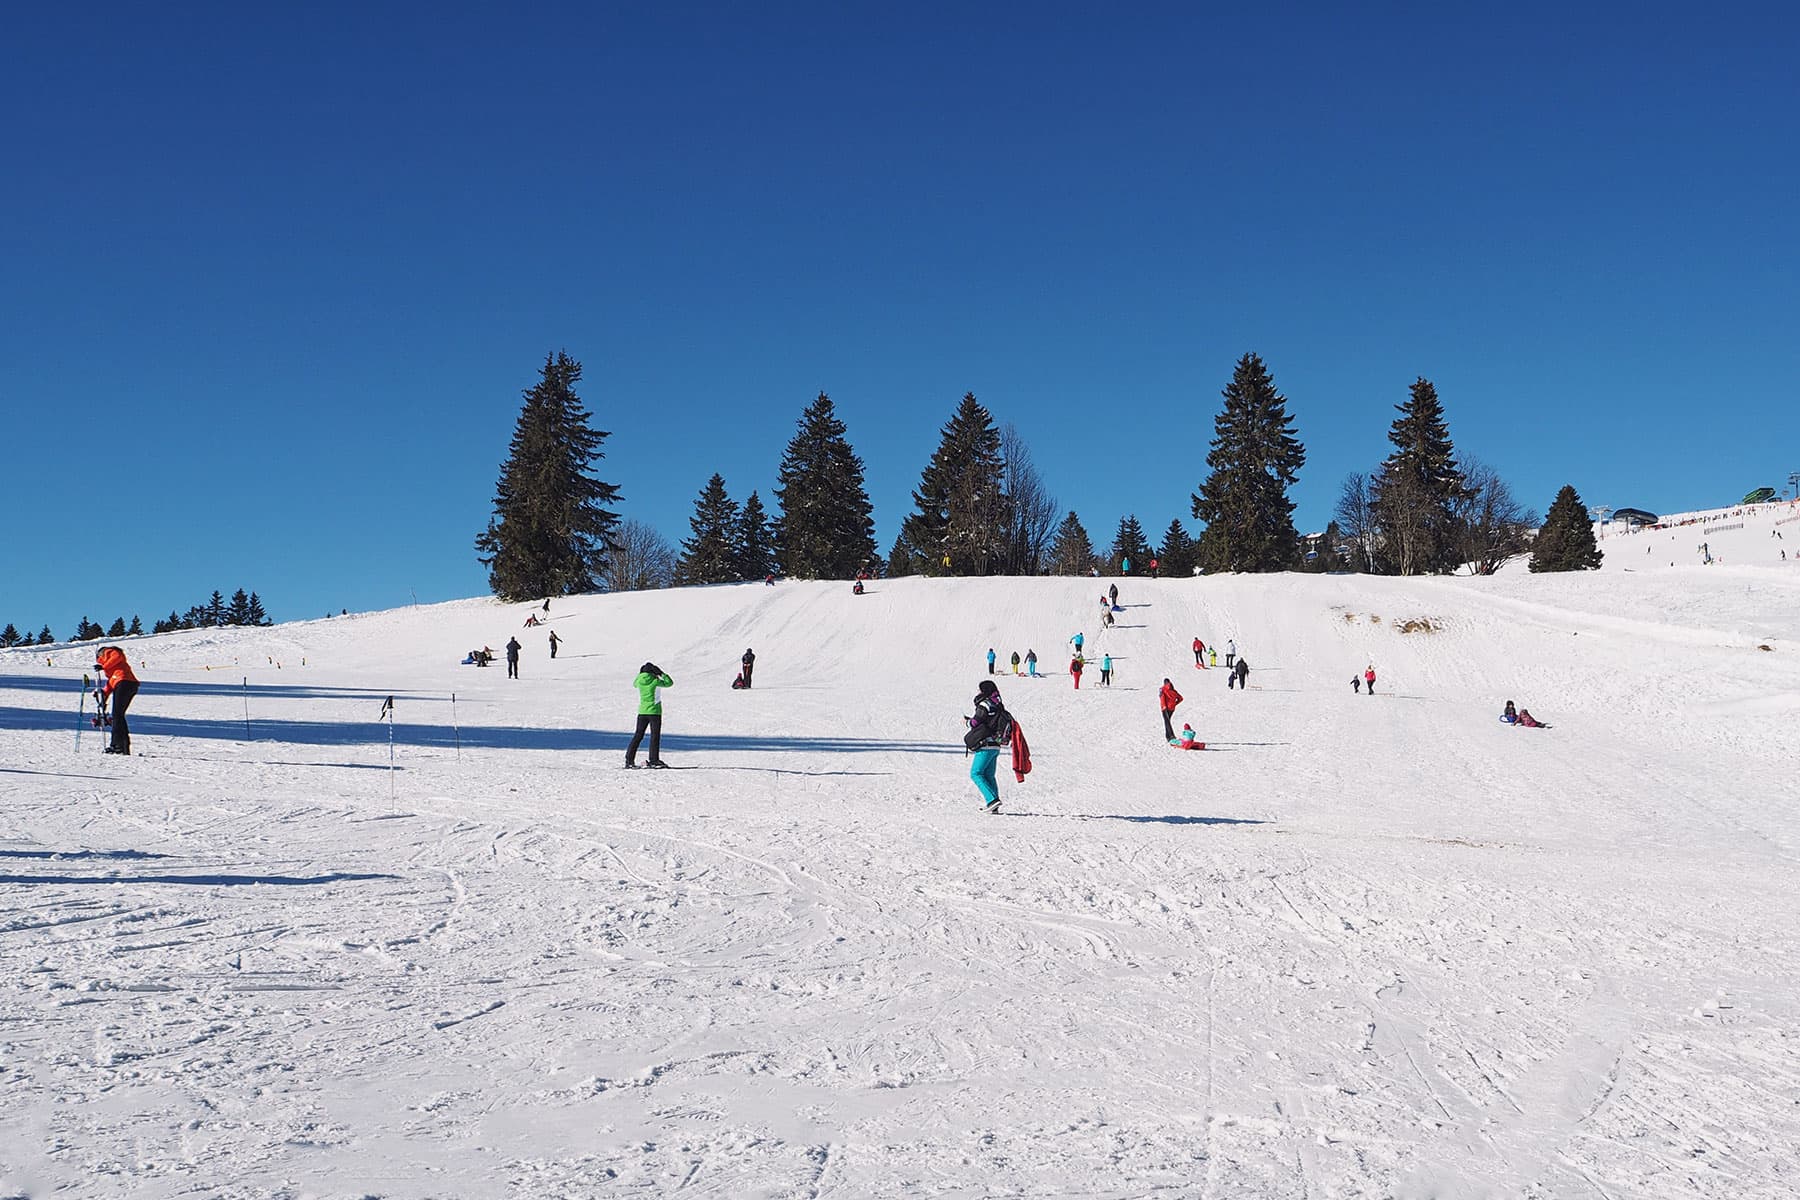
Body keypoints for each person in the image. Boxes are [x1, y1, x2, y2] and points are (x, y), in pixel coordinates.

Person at [964, 679, 1013, 812]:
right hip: (996, 745)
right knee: (989, 775)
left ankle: (992, 800)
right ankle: (993, 806)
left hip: (985, 743)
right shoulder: (999, 705)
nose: (978, 692)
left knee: (976, 773)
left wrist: (967, 722)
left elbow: (975, 722)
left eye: (980, 689)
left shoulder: (985, 704)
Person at [625, 662, 673, 768]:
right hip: (654, 712)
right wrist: (661, 673)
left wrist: (641, 674)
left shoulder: (639, 681)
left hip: (642, 712)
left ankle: (629, 760)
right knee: (654, 736)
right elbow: (669, 683)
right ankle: (654, 760)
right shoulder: (655, 681)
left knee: (638, 735)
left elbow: (634, 683)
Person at [94, 645, 138, 755]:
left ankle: (117, 745)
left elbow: (117, 656)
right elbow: (111, 682)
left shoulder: (109, 652)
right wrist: (103, 694)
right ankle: (123, 746)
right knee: (118, 715)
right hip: (125, 683)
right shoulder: (114, 670)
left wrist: (103, 667)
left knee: (117, 715)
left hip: (124, 682)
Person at [1158, 677, 1183, 741]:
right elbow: (1181, 698)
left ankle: (1171, 736)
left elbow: (1162, 698)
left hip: (1165, 708)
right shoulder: (1174, 691)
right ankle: (1168, 736)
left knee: (1167, 722)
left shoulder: (1162, 689)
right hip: (1172, 708)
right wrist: (1175, 704)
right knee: (1167, 721)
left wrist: (1164, 707)